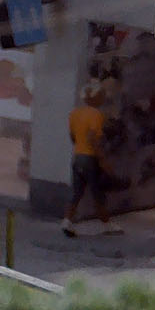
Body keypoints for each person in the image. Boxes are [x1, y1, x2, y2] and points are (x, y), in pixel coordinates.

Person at [63, 82, 108, 238]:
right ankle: (106, 224)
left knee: (76, 192)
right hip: (90, 158)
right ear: (96, 98)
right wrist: (102, 159)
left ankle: (67, 221)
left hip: (78, 156)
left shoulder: (74, 113)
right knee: (97, 191)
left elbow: (72, 137)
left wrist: (80, 147)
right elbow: (93, 139)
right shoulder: (97, 115)